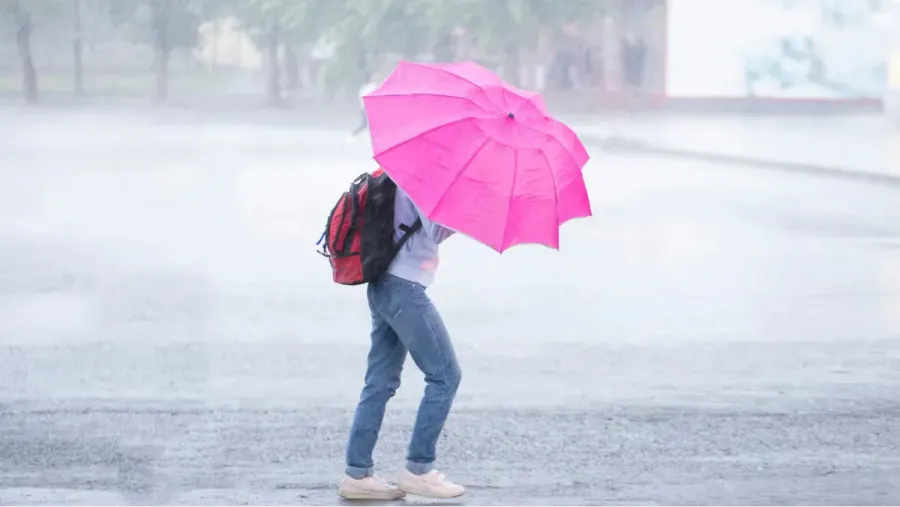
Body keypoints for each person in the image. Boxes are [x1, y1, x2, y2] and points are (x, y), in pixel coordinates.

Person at [337, 186, 465, 501]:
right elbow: (435, 230)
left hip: (383, 283)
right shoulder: (423, 179)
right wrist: (466, 206)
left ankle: (357, 473)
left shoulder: (401, 173)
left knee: (379, 383)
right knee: (446, 376)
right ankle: (419, 469)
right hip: (403, 288)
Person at [349, 75, 380, 139]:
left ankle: (352, 135)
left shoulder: (364, 88)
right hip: (369, 108)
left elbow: (360, 98)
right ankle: (353, 135)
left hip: (364, 108)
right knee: (370, 124)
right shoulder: (373, 86)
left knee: (367, 125)